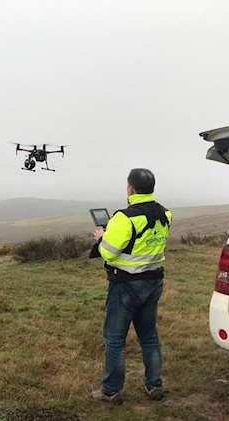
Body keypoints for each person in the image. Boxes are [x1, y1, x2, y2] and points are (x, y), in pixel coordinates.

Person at [90, 168, 171, 405]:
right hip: (154, 282)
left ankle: (111, 391)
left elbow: (108, 253)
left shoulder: (123, 218)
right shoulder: (166, 214)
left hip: (125, 285)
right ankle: (154, 385)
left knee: (115, 339)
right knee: (149, 336)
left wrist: (101, 238)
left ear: (130, 188)